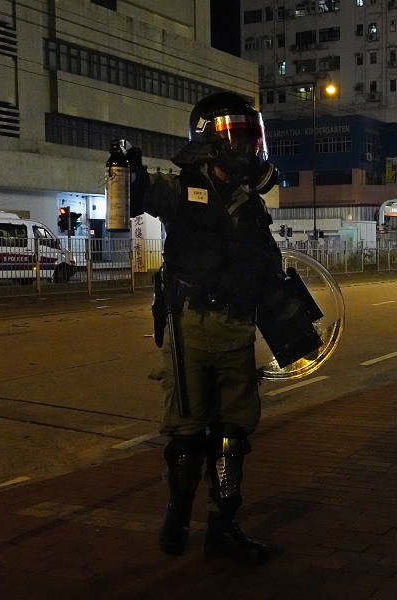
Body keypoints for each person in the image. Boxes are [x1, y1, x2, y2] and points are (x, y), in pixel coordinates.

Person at [127, 92, 320, 565]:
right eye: (234, 136)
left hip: (238, 329)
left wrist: (292, 326)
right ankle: (178, 509)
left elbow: (265, 269)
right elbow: (140, 196)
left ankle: (222, 525)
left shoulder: (250, 202)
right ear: (208, 141)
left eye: (248, 136)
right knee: (189, 433)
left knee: (233, 433)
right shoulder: (182, 190)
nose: (244, 147)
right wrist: (128, 171)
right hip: (191, 327)